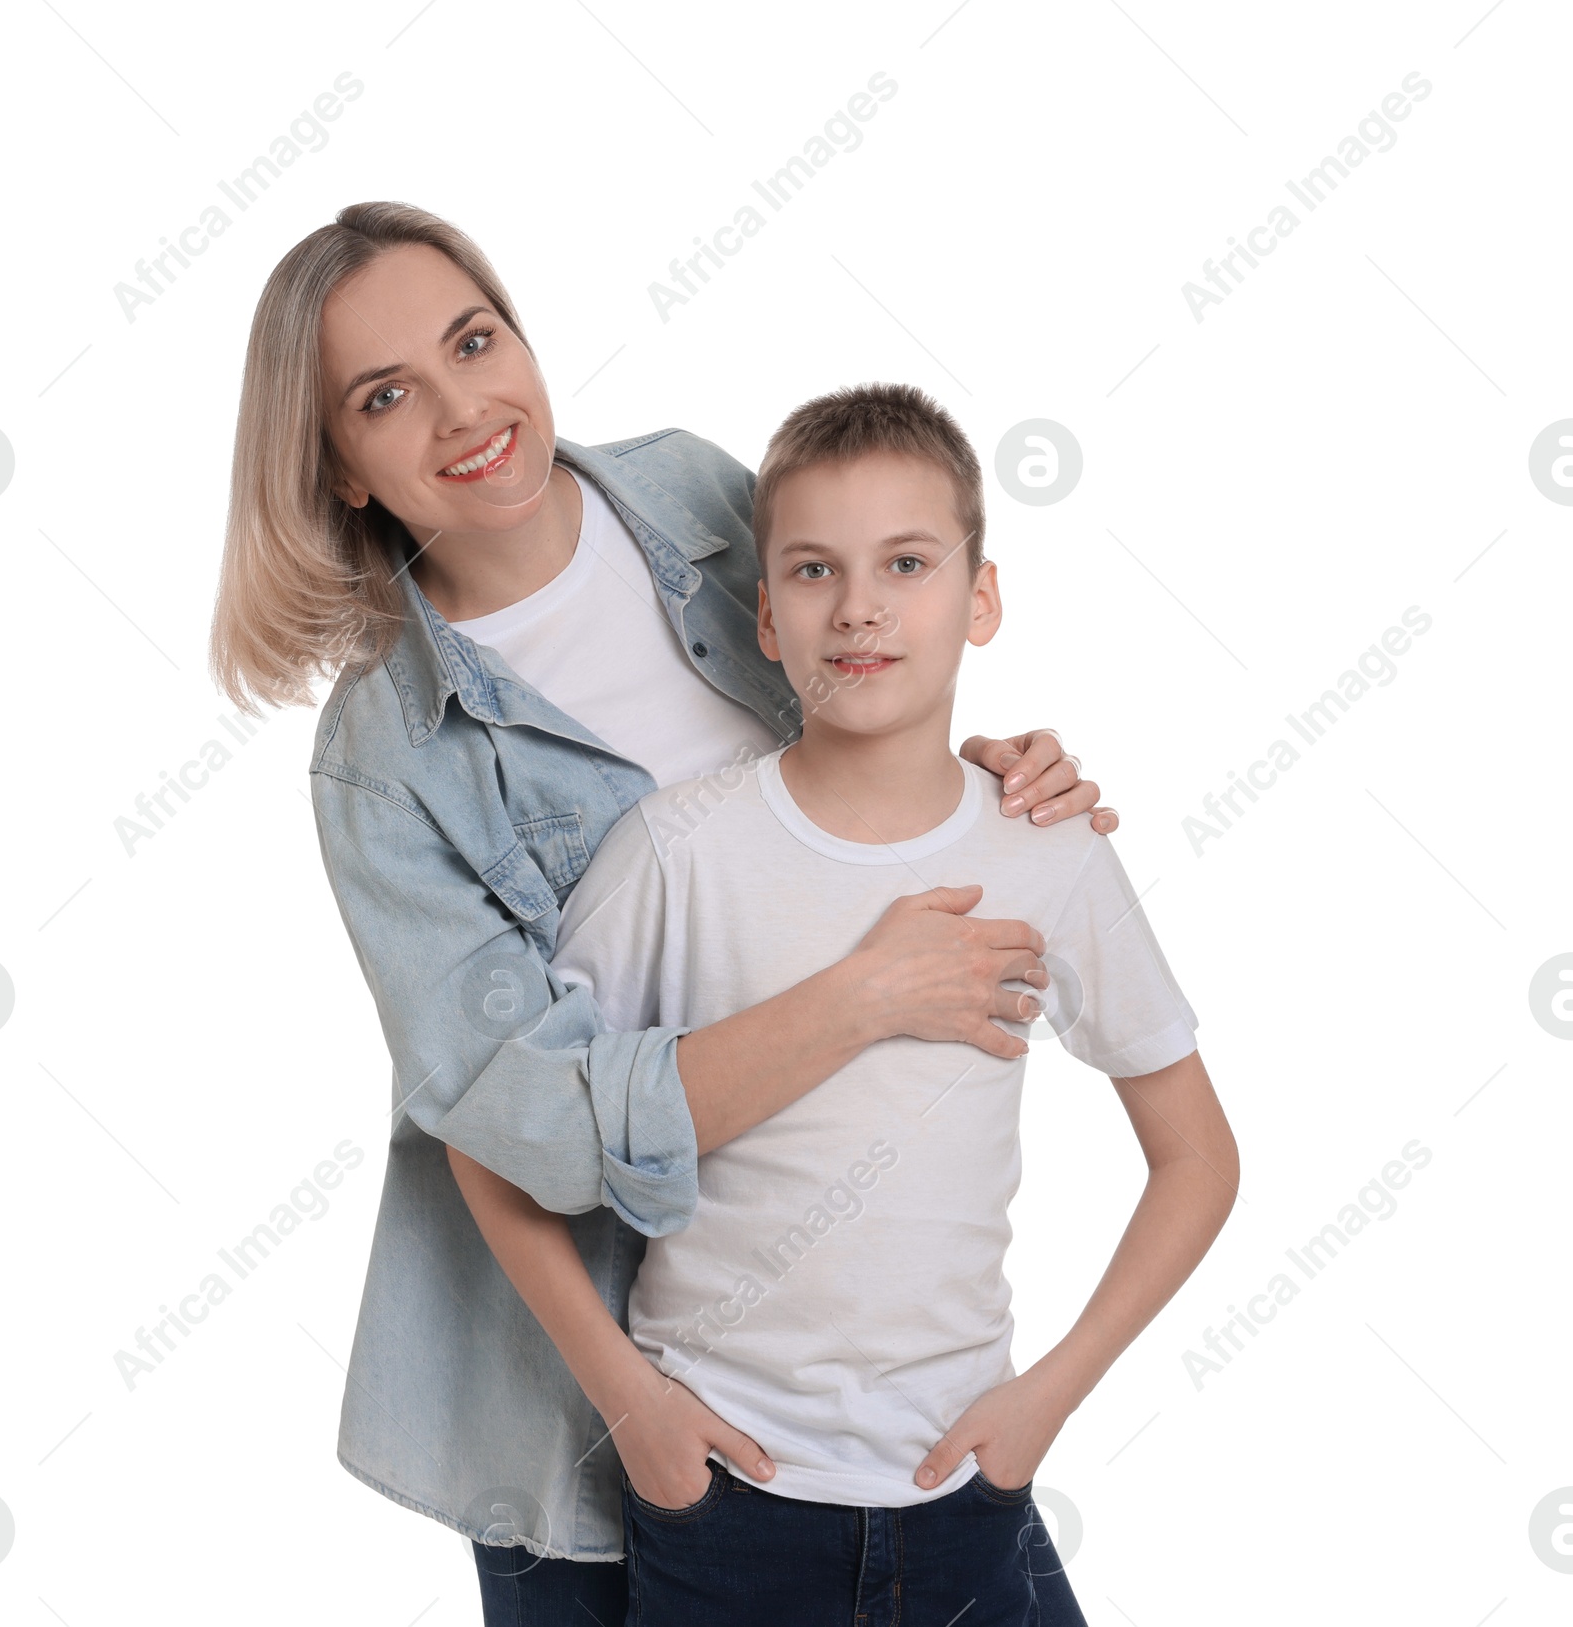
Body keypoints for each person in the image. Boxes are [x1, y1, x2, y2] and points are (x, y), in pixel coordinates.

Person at [210, 201, 1122, 1627]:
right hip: (586, 1400)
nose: (465, 411)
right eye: (387, 397)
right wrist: (636, 1407)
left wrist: (989, 774)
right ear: (338, 464)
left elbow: (861, 699)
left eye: (474, 339)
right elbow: (521, 1120)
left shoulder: (695, 493)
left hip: (863, 1360)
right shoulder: (386, 757)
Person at [460, 382, 1239, 1625]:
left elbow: (1195, 1156)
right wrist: (637, 1412)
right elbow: (499, 1138)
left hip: (966, 1492)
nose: (861, 607)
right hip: (720, 1505)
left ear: (980, 599)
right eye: (815, 571)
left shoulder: (1050, 851)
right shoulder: (679, 856)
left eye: (908, 563)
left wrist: (1048, 1396)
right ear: (765, 617)